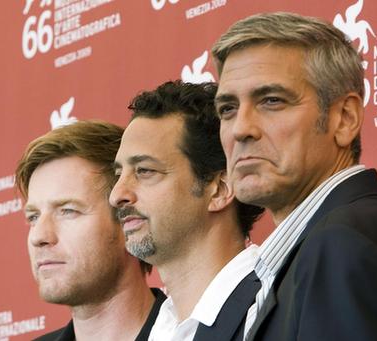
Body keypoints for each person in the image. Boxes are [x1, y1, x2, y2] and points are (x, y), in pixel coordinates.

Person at [212, 12, 377, 341]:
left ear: (344, 118)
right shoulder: (335, 240)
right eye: (228, 108)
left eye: (272, 101)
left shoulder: (343, 244)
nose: (241, 128)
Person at [109, 80, 264, 341]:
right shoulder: (160, 328)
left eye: (145, 171)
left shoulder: (275, 309)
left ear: (220, 189)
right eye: (118, 174)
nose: (117, 195)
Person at [15, 121, 165, 341]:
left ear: (129, 222)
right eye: (33, 217)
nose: (39, 236)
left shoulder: (199, 335)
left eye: (67, 211)